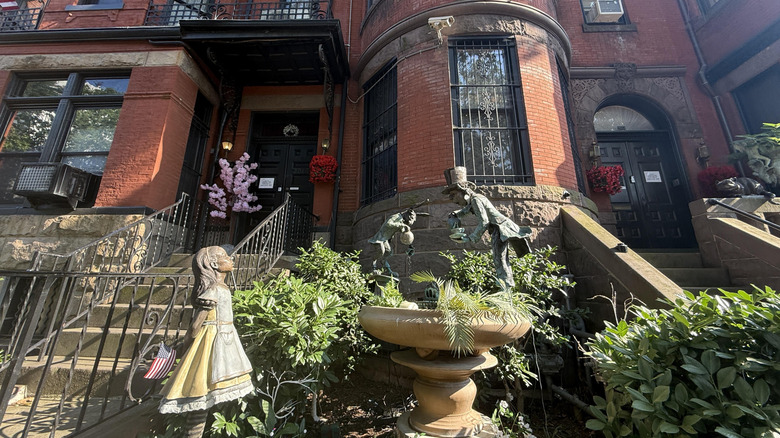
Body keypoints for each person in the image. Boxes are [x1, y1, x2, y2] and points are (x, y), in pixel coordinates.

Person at [159, 246, 254, 438]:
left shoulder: (222, 289)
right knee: (200, 392)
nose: (231, 258)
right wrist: (187, 346)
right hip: (211, 342)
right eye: (225, 256)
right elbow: (195, 326)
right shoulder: (213, 290)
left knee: (205, 393)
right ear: (212, 264)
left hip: (224, 341)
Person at [442, 167, 532, 289]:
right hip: (498, 229)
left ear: (464, 191)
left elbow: (484, 222)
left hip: (501, 228)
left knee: (499, 259)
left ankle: (506, 288)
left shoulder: (476, 200)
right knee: (499, 258)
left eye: (453, 194)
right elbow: (465, 211)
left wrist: (470, 238)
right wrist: (454, 214)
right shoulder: (474, 199)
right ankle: (506, 286)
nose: (451, 199)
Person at [368, 208, 417, 277]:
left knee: (389, 252)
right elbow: (389, 223)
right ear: (407, 214)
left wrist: (410, 246)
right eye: (411, 218)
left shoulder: (401, 221)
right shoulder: (396, 217)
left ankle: (388, 271)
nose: (410, 222)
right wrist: (401, 225)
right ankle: (373, 267)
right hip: (380, 238)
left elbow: (405, 235)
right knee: (381, 251)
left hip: (385, 239)